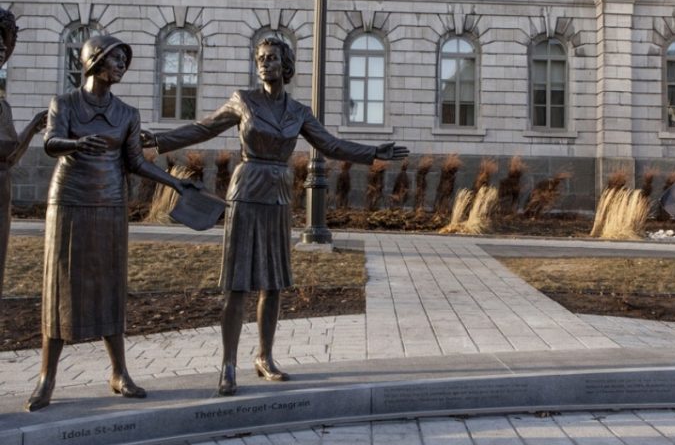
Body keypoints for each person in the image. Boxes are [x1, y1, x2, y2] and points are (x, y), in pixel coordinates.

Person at [143, 37, 409, 396]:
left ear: (286, 66)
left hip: (279, 196)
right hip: (246, 191)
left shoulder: (298, 112)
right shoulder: (243, 101)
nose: (265, 64)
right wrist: (157, 143)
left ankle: (264, 357)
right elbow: (203, 128)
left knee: (273, 281)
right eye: (260, 58)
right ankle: (228, 364)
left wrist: (373, 151)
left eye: (272, 59)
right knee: (237, 282)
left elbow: (330, 145)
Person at [25, 35, 195, 411]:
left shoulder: (127, 113)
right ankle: (46, 378)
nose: (121, 66)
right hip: (69, 200)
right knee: (61, 285)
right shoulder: (64, 103)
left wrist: (173, 180)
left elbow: (135, 162)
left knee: (109, 283)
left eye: (123, 60)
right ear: (93, 62)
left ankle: (119, 372)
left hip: (110, 203)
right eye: (115, 59)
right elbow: (50, 142)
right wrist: (73, 145)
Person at [0, 8, 47, 298]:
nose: (2, 50)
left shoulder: (3, 106)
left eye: (4, 45)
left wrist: (32, 127)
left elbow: (11, 156)